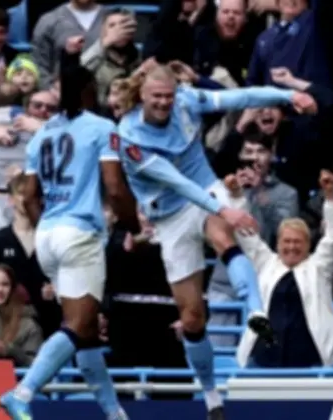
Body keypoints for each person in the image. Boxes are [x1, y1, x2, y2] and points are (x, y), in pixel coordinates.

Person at [114, 65, 317, 418]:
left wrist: (288, 95)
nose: (164, 103)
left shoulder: (187, 101)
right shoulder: (130, 136)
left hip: (205, 188)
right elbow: (176, 182)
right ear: (142, 96)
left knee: (221, 234)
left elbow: (241, 97)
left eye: (168, 95)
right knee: (192, 318)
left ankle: (256, 311)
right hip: (170, 215)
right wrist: (227, 208)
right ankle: (210, 394)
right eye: (156, 97)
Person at [0, 48, 138, 420]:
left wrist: (50, 220)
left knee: (87, 331)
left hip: (47, 235)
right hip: (79, 234)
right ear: (89, 91)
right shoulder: (102, 128)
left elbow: (27, 196)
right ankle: (22, 392)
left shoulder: (42, 133)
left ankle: (114, 413)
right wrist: (132, 223)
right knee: (77, 326)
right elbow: (114, 186)